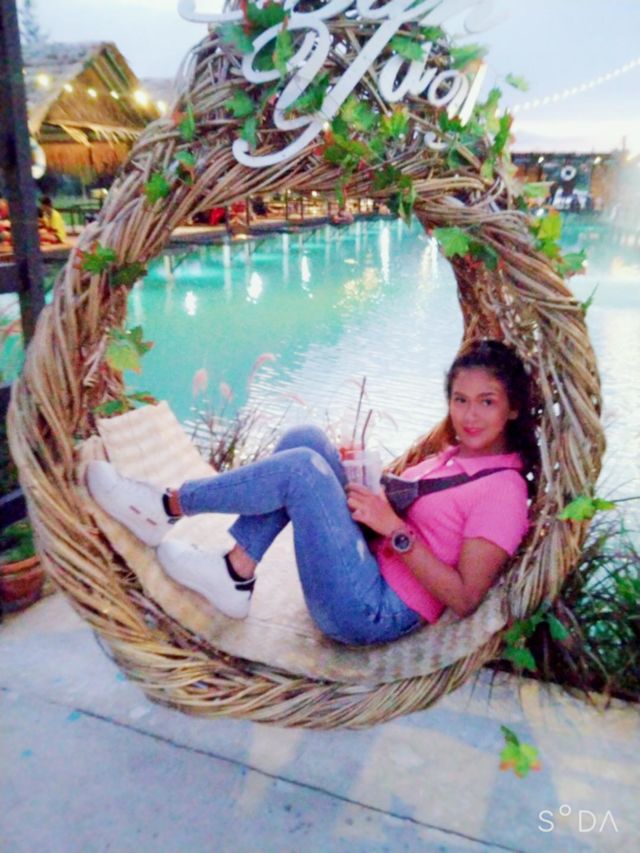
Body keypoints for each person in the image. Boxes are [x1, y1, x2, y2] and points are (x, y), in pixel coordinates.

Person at [86, 340, 538, 645]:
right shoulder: (455, 456)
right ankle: (236, 571)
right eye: (460, 400)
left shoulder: (504, 492)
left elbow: (465, 598)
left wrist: (396, 531)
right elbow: (416, 511)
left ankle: (164, 506)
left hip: (372, 610)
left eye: (487, 401)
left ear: (513, 408)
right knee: (306, 441)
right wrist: (358, 477)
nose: (470, 416)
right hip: (367, 564)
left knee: (302, 470)